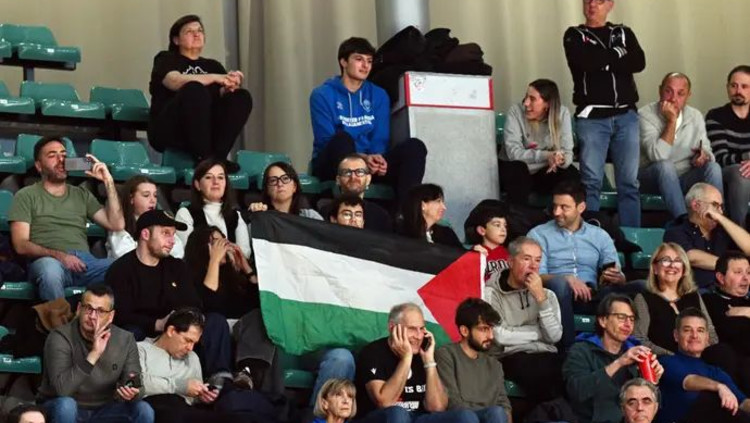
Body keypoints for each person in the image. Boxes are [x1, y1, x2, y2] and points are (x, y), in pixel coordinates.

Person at [106, 210, 233, 381]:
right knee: (129, 333)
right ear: (145, 234)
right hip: (144, 332)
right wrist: (157, 324)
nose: (172, 240)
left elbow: (194, 303)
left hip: (178, 328)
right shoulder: (121, 269)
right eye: (166, 233)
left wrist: (178, 321)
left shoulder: (177, 266)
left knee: (215, 321)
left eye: (173, 234)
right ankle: (131, 382)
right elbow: (120, 314)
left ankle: (220, 379)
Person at [310, 37, 427, 206]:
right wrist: (361, 159)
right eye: (359, 59)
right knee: (342, 139)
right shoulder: (322, 94)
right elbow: (325, 140)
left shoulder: (379, 95)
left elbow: (380, 138)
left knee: (415, 147)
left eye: (369, 61)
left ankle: (406, 214)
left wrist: (376, 160)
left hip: (370, 165)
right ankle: (349, 208)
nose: (365, 66)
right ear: (343, 62)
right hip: (334, 163)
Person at [528, 180, 642, 349]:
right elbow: (537, 276)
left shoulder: (599, 235)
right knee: (560, 285)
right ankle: (568, 350)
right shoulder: (539, 234)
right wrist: (567, 279)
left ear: (581, 207)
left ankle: (637, 348)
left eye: (564, 207)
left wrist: (618, 277)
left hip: (594, 294)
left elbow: (614, 269)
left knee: (643, 286)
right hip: (557, 295)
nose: (557, 212)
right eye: (555, 206)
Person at [9, 136, 124, 301]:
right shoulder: (26, 195)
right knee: (50, 272)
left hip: (85, 263)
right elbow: (21, 245)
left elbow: (116, 224)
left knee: (126, 267)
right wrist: (60, 256)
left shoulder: (82, 194)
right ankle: (61, 319)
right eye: (52, 155)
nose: (61, 160)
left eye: (63, 155)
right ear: (39, 166)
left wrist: (108, 181)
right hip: (49, 261)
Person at [563, 0, 646, 227]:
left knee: (629, 182)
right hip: (592, 118)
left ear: (610, 4)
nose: (592, 4)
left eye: (599, 0)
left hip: (626, 116)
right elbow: (586, 63)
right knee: (591, 182)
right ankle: (589, 233)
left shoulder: (623, 32)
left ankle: (632, 235)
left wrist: (603, 61)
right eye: (587, 0)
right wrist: (618, 54)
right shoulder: (574, 35)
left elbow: (639, 62)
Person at [148, 14, 252, 170]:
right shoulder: (166, 58)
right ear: (176, 40)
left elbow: (221, 94)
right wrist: (215, 77)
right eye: (189, 31)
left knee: (241, 97)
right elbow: (174, 81)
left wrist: (230, 84)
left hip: (206, 128)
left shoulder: (213, 65)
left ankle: (218, 158)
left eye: (200, 31)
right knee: (194, 89)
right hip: (171, 128)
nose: (197, 34)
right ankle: (204, 158)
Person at [38, 284, 154, 423]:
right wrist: (94, 354)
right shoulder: (60, 337)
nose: (92, 316)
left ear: (111, 316)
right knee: (66, 406)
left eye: (100, 311)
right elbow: (62, 390)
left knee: (143, 409)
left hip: (105, 409)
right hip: (62, 407)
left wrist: (132, 393)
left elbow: (136, 384)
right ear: (79, 309)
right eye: (88, 308)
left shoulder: (125, 339)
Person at [354, 303, 477, 423]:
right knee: (398, 413)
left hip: (419, 417)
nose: (419, 336)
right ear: (392, 328)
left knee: (465, 416)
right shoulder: (372, 352)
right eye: (412, 329)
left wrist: (429, 362)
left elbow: (437, 408)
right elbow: (385, 402)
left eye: (422, 328)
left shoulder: (423, 352)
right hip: (383, 417)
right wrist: (406, 358)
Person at [485, 237, 564, 402]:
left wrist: (540, 299)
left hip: (546, 354)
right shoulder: (491, 293)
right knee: (535, 371)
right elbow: (500, 336)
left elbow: (555, 336)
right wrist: (539, 332)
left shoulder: (547, 295)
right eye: (527, 259)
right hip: (510, 356)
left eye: (538, 260)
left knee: (571, 368)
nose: (533, 266)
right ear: (511, 262)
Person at [563, 294, 664, 423]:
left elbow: (653, 405)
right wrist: (619, 363)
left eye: (632, 319)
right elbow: (577, 392)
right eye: (621, 317)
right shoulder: (581, 351)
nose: (628, 324)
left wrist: (653, 382)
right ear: (603, 320)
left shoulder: (637, 353)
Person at [138, 308, 250, 423]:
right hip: (155, 407)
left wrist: (202, 396)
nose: (190, 348)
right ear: (171, 331)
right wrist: (181, 386)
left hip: (186, 410)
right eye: (187, 340)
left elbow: (193, 400)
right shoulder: (139, 349)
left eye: (194, 343)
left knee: (241, 417)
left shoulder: (192, 357)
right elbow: (134, 383)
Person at [638, 72, 723, 219]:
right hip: (652, 177)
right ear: (660, 91)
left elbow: (707, 150)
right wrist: (671, 121)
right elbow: (658, 155)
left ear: (688, 96)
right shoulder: (644, 114)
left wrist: (703, 156)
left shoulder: (695, 116)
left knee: (713, 168)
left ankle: (717, 222)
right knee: (665, 166)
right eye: (668, 91)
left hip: (684, 177)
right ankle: (683, 222)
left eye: (680, 94)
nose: (673, 98)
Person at [658, 308, 750, 423]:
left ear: (707, 337)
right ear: (676, 335)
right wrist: (719, 387)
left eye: (700, 330)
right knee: (710, 398)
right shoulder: (667, 362)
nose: (694, 335)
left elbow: (742, 402)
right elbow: (688, 381)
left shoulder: (715, 371)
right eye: (687, 330)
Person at [499, 78, 580, 204]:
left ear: (547, 104)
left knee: (571, 174)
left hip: (544, 170)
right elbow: (513, 154)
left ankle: (560, 212)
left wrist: (559, 159)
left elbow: (567, 153)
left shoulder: (562, 113)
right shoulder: (515, 112)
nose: (526, 103)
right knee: (517, 170)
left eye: (532, 99)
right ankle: (518, 214)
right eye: (526, 97)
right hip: (516, 170)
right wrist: (547, 155)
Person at [633, 242, 719, 356]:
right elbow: (639, 339)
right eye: (666, 260)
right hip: (663, 360)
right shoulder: (643, 299)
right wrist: (671, 356)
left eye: (678, 261)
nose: (672, 265)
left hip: (699, 358)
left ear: (684, 269)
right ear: (655, 268)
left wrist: (708, 352)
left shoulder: (694, 295)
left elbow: (710, 330)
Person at [436, 298, 512, 423]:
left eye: (491, 329)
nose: (491, 336)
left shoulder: (494, 364)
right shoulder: (446, 355)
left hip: (490, 418)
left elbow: (504, 404)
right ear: (464, 331)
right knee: (468, 416)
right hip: (460, 418)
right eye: (484, 329)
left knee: (497, 412)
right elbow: (452, 402)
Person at [664, 183, 750, 289]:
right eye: (715, 205)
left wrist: (721, 218)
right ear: (696, 205)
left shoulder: (723, 229)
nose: (720, 211)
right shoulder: (676, 230)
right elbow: (691, 257)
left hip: (730, 291)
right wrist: (732, 267)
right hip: (698, 292)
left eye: (721, 207)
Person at [176, 158, 251, 259]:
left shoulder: (236, 216)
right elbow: (186, 252)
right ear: (198, 185)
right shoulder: (185, 214)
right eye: (208, 177)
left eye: (220, 177)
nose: (216, 182)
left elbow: (244, 254)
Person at [706, 65, 750, 225]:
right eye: (734, 86)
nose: (738, 91)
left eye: (744, 86)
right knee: (741, 174)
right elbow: (720, 158)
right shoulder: (716, 116)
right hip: (729, 173)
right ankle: (738, 233)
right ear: (727, 88)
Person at [702, 251, 750, 392]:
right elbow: (726, 333)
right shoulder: (709, 301)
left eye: (748, 272)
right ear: (721, 278)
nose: (745, 278)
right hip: (734, 361)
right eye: (738, 272)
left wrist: (746, 311)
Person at [107, 175, 184, 259]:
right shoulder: (118, 222)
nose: (153, 200)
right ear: (131, 199)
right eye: (146, 195)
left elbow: (178, 252)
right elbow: (124, 254)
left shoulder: (162, 220)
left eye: (155, 196)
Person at [319, 153, 393, 233]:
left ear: (368, 179)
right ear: (338, 180)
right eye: (347, 172)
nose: (353, 177)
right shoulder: (326, 212)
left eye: (360, 172)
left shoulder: (381, 216)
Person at [247, 161, 323, 219]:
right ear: (267, 189)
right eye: (273, 180)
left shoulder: (310, 216)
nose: (280, 184)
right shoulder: (261, 216)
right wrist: (255, 215)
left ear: (294, 187)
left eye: (285, 178)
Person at [400, 184, 463, 249]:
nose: (444, 207)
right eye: (438, 201)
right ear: (423, 205)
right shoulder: (403, 234)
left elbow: (461, 253)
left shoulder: (447, 233)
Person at [464, 202, 510, 283]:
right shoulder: (475, 253)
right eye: (497, 225)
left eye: (505, 226)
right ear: (482, 230)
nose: (503, 229)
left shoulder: (509, 253)